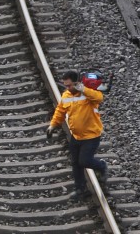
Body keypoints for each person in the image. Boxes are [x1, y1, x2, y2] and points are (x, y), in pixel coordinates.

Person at [47, 70, 107, 199]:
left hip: (91, 136)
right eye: (66, 85)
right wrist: (52, 125)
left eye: (69, 85)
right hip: (76, 136)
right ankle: (80, 189)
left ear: (77, 82)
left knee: (84, 161)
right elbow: (60, 111)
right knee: (76, 163)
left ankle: (102, 166)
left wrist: (84, 89)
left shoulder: (88, 94)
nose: (67, 88)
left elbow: (99, 98)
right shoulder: (66, 96)